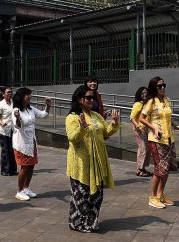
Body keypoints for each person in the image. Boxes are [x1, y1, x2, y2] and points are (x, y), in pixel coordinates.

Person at [65, 85, 120, 232]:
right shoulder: (73, 117)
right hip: (81, 163)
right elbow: (72, 138)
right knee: (82, 197)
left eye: (93, 97)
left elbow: (105, 133)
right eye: (88, 97)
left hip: (97, 162)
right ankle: (78, 223)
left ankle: (91, 222)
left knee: (97, 196)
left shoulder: (96, 116)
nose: (92, 100)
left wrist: (114, 123)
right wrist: (82, 128)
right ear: (79, 99)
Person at [139, 76, 179, 209]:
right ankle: (153, 197)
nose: (163, 88)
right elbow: (142, 118)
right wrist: (153, 127)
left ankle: (160, 195)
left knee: (166, 169)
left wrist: (176, 126)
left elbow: (169, 118)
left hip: (169, 139)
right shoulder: (151, 102)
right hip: (156, 139)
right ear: (154, 88)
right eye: (159, 86)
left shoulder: (167, 100)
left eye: (164, 85)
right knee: (159, 169)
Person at [12, 87, 51, 201]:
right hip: (22, 143)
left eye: (30, 94)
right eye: (27, 95)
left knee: (31, 166)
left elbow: (44, 115)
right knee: (24, 167)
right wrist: (18, 117)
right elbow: (17, 126)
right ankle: (19, 191)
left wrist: (47, 105)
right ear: (21, 97)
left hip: (31, 141)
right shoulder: (16, 110)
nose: (30, 96)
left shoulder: (31, 109)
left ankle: (26, 188)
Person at [130, 86, 152, 177]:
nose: (144, 94)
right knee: (143, 148)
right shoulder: (138, 104)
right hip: (139, 130)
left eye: (146, 92)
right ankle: (139, 169)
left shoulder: (146, 104)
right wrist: (137, 125)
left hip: (145, 130)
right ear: (139, 94)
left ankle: (142, 168)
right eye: (142, 93)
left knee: (146, 149)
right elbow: (131, 117)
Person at [0, 86, 17, 176]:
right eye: (8, 92)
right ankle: (5, 170)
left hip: (13, 130)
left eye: (11, 92)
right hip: (4, 131)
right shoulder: (1, 104)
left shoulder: (13, 103)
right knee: (5, 151)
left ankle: (13, 170)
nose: (10, 94)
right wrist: (2, 123)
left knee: (13, 150)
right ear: (3, 94)